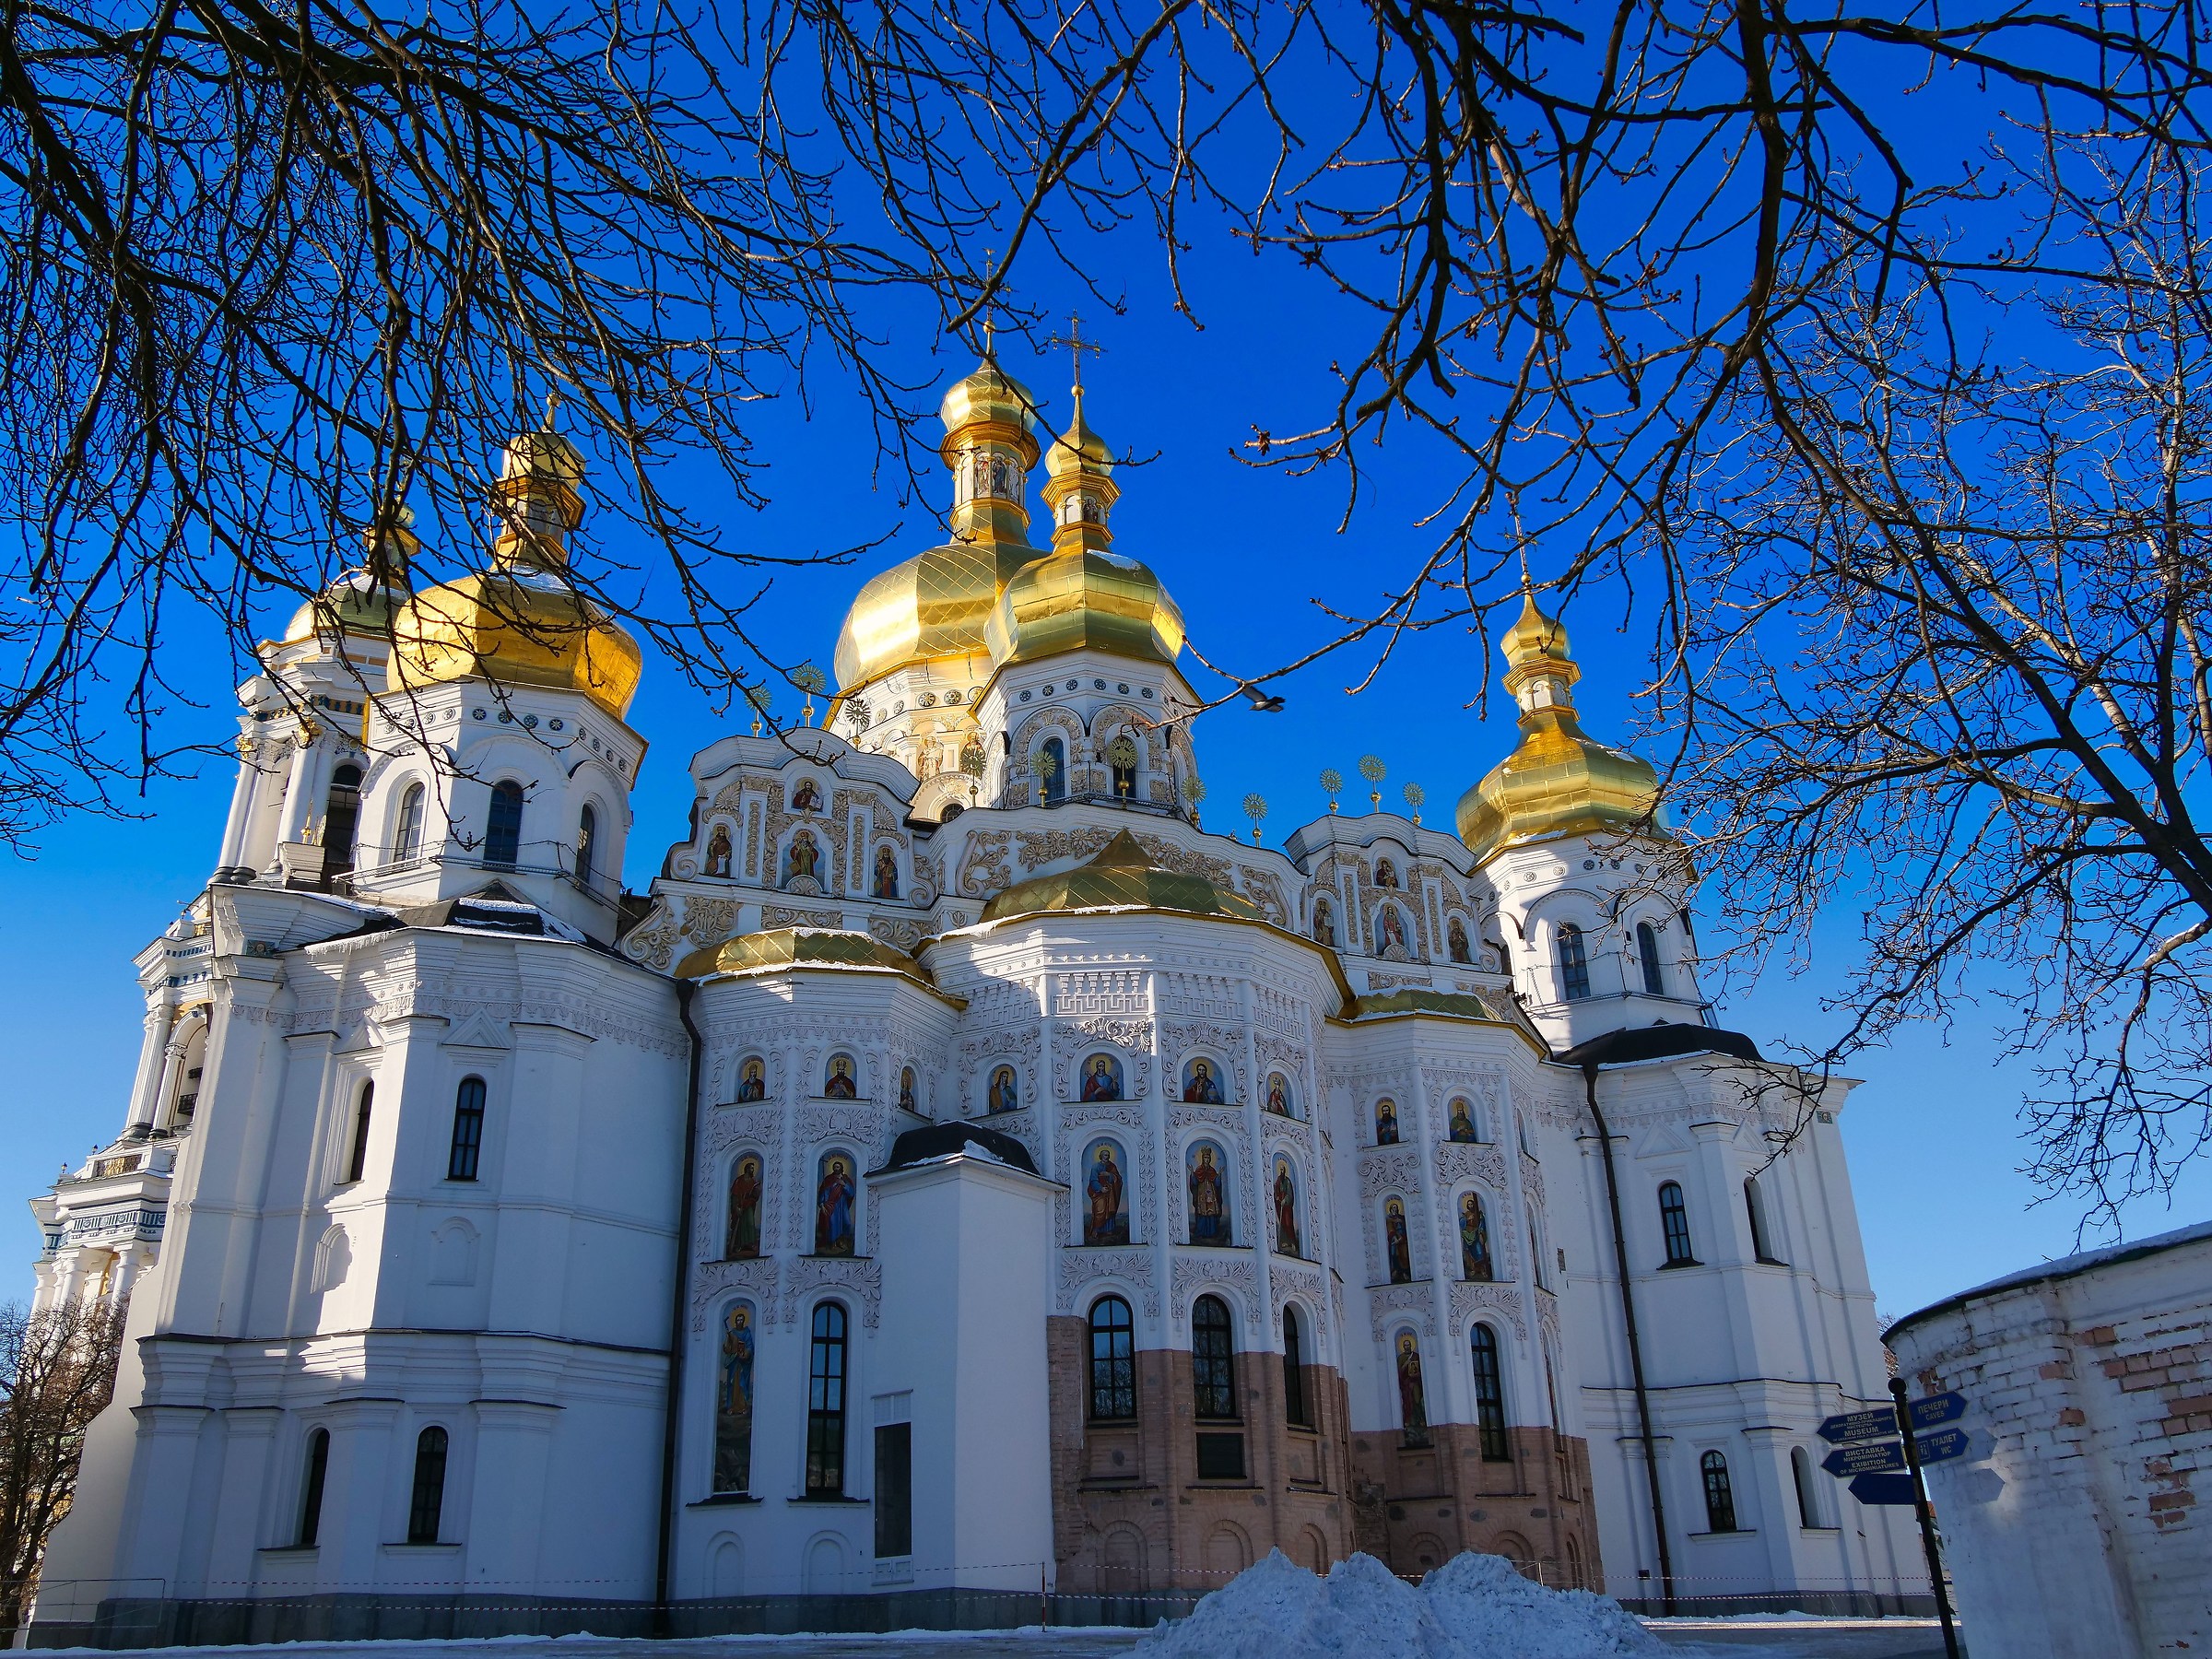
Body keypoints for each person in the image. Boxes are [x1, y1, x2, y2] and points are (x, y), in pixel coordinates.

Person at [1086, 1145, 1126, 1245]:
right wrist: (1100, 1188)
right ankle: (1096, 1230)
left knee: (1110, 1210)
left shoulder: (1112, 1166)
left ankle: (1108, 1231)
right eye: (1104, 1155)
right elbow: (1093, 1180)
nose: (1106, 1157)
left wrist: (1110, 1175)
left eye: (1108, 1155)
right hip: (1099, 1193)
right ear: (1100, 1156)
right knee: (1100, 1209)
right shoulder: (1096, 1166)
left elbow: (1119, 1179)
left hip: (1110, 1192)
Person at [815, 1156, 855, 1254]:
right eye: (834, 1167)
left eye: (838, 1167)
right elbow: (823, 1192)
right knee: (832, 1225)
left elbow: (851, 1193)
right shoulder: (828, 1179)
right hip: (832, 1206)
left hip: (843, 1205)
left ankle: (843, 1243)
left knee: (847, 1223)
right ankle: (832, 1245)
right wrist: (822, 1204)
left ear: (841, 1168)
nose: (836, 1169)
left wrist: (844, 1184)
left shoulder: (846, 1179)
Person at [1396, 1334, 1430, 1447]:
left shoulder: (1416, 1356)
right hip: (1406, 1384)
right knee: (1408, 1402)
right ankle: (1409, 1421)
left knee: (1416, 1400)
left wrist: (1417, 1374)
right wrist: (1406, 1364)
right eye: (1405, 1345)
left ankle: (1421, 1420)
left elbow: (1421, 1370)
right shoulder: (1401, 1358)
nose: (1406, 1347)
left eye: (1408, 1345)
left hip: (1415, 1383)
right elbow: (1400, 1373)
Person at [725, 1155, 762, 1258]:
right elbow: (735, 1195)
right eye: (751, 1168)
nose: (752, 1170)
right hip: (740, 1206)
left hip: (749, 1205)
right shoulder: (739, 1181)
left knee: (750, 1223)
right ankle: (739, 1245)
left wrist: (755, 1194)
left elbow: (755, 1194)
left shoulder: (753, 1181)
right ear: (746, 1169)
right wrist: (736, 1207)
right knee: (740, 1225)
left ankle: (750, 1243)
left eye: (753, 1168)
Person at [1188, 1146, 1227, 1245]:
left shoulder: (1212, 1171)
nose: (1207, 1159)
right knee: (1202, 1212)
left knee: (1211, 1212)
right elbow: (1195, 1182)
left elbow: (1217, 1183)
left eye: (1208, 1157)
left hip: (1211, 1194)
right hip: (1202, 1195)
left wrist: (1219, 1175)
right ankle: (1200, 1232)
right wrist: (1192, 1172)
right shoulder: (1199, 1170)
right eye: (1205, 1157)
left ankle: (1212, 1232)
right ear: (1202, 1158)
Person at [1274, 1159, 1300, 1256]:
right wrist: (1276, 1196)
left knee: (1288, 1223)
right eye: (1280, 1169)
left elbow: (1289, 1193)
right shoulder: (1278, 1181)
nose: (1281, 1171)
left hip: (1286, 1206)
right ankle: (1283, 1242)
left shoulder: (1287, 1181)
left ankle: (1293, 1242)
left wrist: (1285, 1199)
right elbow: (1276, 1191)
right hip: (1280, 1205)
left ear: (1285, 1170)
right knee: (1282, 1223)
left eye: (1282, 1169)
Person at [1385, 1197, 1413, 1282]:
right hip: (1395, 1240)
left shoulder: (1401, 1218)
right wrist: (1395, 1237)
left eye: (1396, 1207)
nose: (1395, 1209)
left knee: (1405, 1255)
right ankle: (1398, 1272)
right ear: (1390, 1209)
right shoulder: (1389, 1219)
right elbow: (1390, 1229)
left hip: (1403, 1239)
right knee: (1394, 1255)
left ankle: (1406, 1272)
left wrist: (1402, 1236)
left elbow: (1405, 1227)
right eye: (1393, 1207)